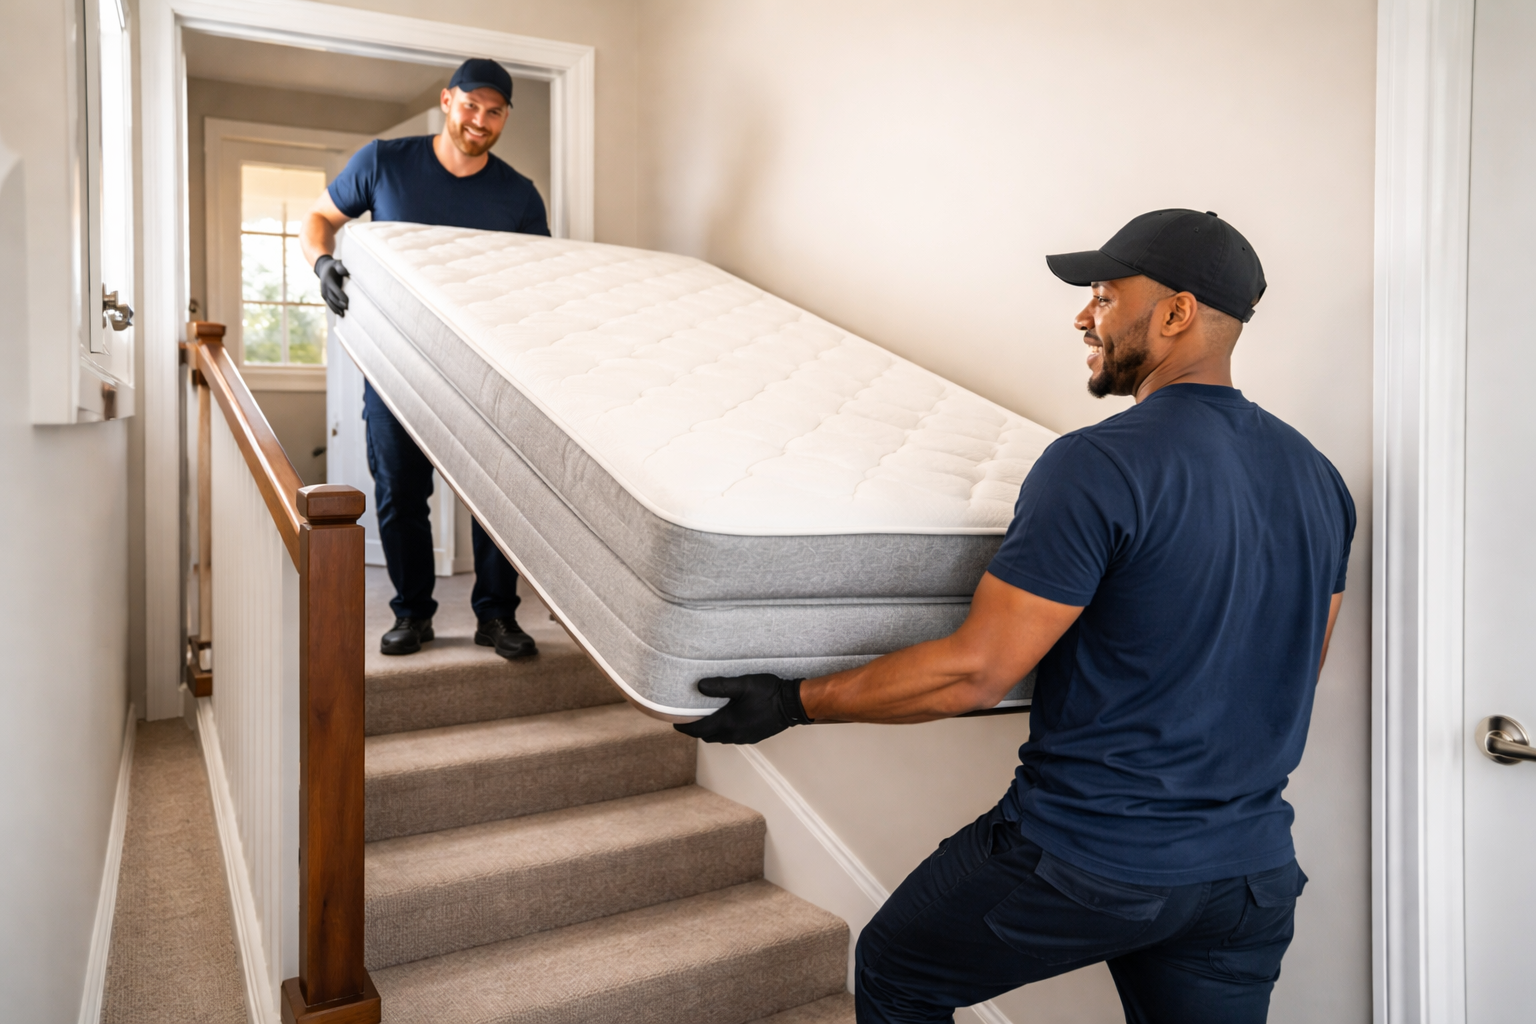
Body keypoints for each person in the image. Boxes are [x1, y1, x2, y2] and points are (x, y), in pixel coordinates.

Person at [678, 209, 1355, 1024]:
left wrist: (792, 702)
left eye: (1104, 297)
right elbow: (1295, 667)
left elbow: (976, 672)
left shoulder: (1098, 463)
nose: (1083, 316)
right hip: (1248, 876)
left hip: (1087, 859)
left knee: (897, 972)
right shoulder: (1320, 479)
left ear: (1176, 313)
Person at [301, 58, 544, 660]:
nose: (480, 120)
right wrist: (321, 262)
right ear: (446, 100)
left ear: (505, 117)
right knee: (401, 494)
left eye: (494, 111)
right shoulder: (385, 162)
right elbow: (318, 219)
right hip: (397, 365)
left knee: (496, 499)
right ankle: (412, 614)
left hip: (485, 371)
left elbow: (538, 283)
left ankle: (497, 616)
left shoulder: (518, 196)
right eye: (470, 105)